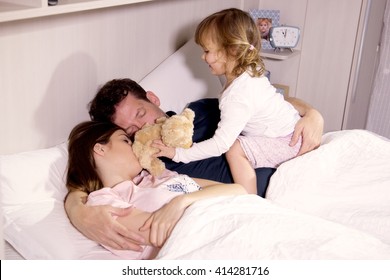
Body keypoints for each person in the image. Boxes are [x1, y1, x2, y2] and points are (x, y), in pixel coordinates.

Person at [154, 8, 303, 194]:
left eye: (207, 50)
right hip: (292, 131)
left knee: (234, 149)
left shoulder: (237, 96)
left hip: (288, 142)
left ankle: (249, 200)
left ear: (231, 51)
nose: (202, 57)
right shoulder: (248, 71)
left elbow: (220, 145)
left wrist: (178, 154)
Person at [66, 121, 247, 259]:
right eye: (125, 140)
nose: (135, 146)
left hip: (243, 222)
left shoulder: (158, 176)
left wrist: (181, 201)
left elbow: (239, 190)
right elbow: (159, 233)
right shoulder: (102, 202)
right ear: (100, 149)